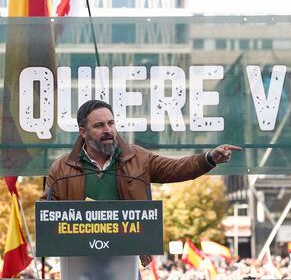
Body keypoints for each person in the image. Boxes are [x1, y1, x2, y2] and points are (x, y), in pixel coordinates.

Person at [40, 100, 241, 266]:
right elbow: (47, 216)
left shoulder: (138, 158)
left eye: (111, 123)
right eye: (99, 125)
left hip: (126, 257)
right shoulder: (61, 168)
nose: (108, 130)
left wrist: (209, 158)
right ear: (83, 132)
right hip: (77, 261)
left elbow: (177, 168)